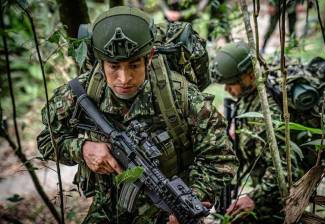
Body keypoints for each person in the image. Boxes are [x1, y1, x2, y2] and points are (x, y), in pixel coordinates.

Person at [37, 6, 238, 224]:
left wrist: (195, 195)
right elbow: (47, 140)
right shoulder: (81, 93)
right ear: (100, 61)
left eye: (134, 65)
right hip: (109, 208)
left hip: (168, 212)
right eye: (114, 66)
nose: (124, 78)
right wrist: (82, 149)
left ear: (149, 57)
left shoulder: (181, 96)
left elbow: (221, 157)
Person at [211, 41, 293, 223]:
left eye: (231, 83)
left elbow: (287, 170)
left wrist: (254, 198)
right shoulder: (249, 95)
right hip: (263, 188)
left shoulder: (269, 112)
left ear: (249, 76)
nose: (227, 90)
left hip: (280, 198)